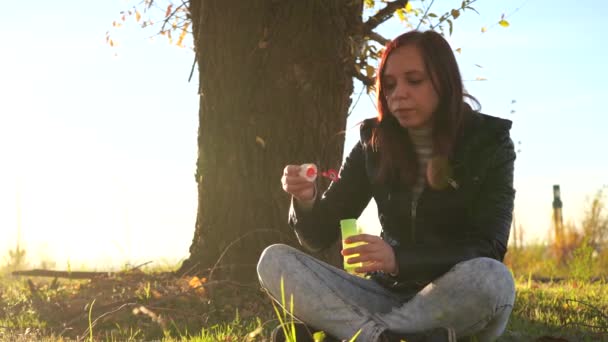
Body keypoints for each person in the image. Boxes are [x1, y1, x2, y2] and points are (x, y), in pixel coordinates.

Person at [257, 30, 516, 342]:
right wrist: (306, 199)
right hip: (384, 294)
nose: (399, 94)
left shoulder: (490, 142)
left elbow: (488, 246)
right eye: (390, 84)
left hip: (451, 297)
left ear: (444, 82)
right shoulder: (374, 142)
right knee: (274, 260)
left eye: (414, 80)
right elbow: (317, 235)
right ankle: (385, 337)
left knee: (493, 279)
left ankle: (349, 333)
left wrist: (398, 259)